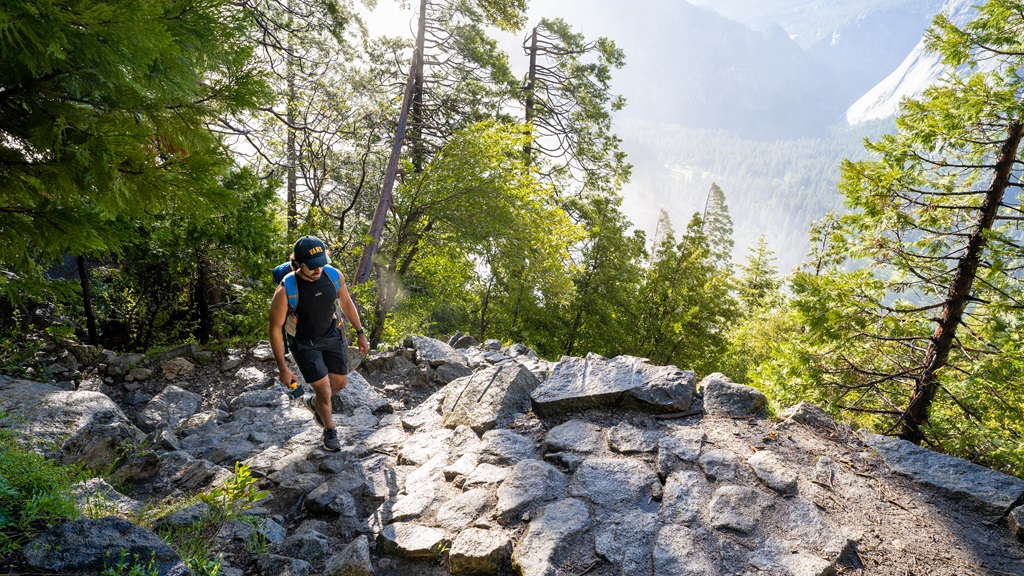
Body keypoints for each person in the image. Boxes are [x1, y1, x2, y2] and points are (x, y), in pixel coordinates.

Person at [269, 235, 369, 451]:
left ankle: (314, 404)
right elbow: (275, 329)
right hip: (304, 343)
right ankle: (329, 431)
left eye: (321, 264)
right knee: (324, 390)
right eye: (312, 266)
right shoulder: (286, 290)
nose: (318, 270)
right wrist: (283, 368)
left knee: (340, 383)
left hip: (332, 335)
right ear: (297, 264)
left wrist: (360, 332)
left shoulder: (333, 275)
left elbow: (346, 302)